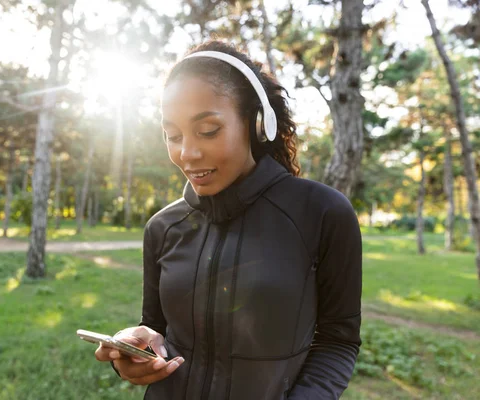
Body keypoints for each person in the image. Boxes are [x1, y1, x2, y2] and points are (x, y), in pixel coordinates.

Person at [94, 40, 362, 400]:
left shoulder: (322, 212)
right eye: (173, 136)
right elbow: (155, 328)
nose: (187, 153)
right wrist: (133, 352)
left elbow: (338, 342)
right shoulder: (162, 227)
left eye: (207, 131)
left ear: (256, 125)